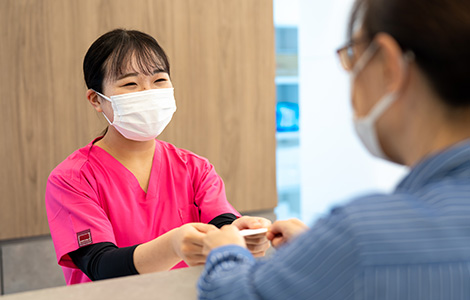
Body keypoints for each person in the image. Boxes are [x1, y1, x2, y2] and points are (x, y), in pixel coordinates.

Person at [197, 0, 470, 298]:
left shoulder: (362, 236)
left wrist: (225, 253)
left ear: (390, 65)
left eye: (353, 55)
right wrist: (322, 251)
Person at [45, 29, 271, 285]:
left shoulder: (195, 168)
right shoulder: (72, 179)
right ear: (96, 99)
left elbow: (222, 223)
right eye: (130, 83)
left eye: (159, 80)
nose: (147, 92)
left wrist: (245, 232)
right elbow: (100, 265)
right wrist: (172, 245)